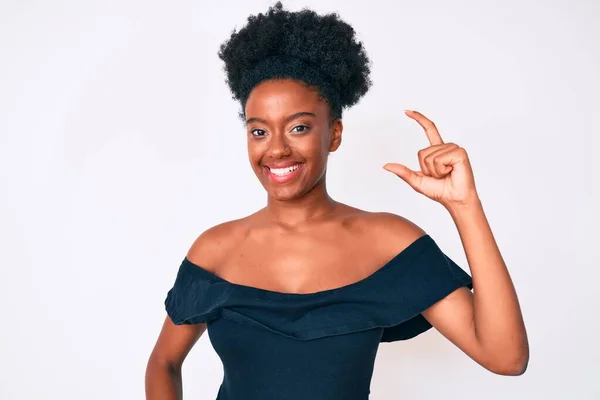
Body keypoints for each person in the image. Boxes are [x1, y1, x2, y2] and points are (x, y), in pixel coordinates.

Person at [145, 2, 529, 399]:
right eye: (259, 131)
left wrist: (464, 206)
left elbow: (506, 357)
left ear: (335, 133)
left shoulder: (387, 242)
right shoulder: (214, 250)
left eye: (298, 127)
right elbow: (163, 363)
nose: (276, 149)